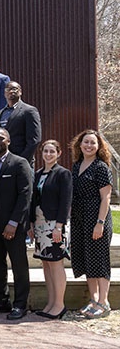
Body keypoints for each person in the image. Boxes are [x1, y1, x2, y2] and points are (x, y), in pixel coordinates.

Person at [0, 128, 33, 320]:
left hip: (13, 224)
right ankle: (0, 300)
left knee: (19, 265)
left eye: (0, 138)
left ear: (8, 141)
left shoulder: (19, 164)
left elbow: (25, 195)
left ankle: (20, 304)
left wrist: (13, 222)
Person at [69, 129, 113, 319]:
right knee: (87, 259)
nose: (89, 145)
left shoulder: (101, 167)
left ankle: (104, 302)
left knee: (100, 260)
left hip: (96, 218)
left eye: (92, 143)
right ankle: (93, 299)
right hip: (79, 220)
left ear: (98, 146)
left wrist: (100, 223)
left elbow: (106, 198)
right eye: (85, 142)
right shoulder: (76, 165)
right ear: (80, 145)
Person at [30, 140, 72, 320]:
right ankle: (51, 302)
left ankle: (59, 304)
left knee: (56, 264)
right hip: (39, 225)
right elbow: (33, 200)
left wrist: (59, 227)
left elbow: (65, 202)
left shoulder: (63, 174)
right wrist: (31, 224)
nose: (48, 154)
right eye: (45, 151)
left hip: (55, 225)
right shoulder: (38, 174)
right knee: (46, 264)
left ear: (59, 153)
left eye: (52, 151)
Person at [0, 81, 41, 166]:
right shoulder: (0, 114)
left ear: (20, 92)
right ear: (4, 94)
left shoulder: (29, 111)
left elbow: (34, 139)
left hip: (23, 162)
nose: (11, 91)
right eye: (8, 89)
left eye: (14, 89)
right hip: (4, 163)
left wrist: (22, 160)